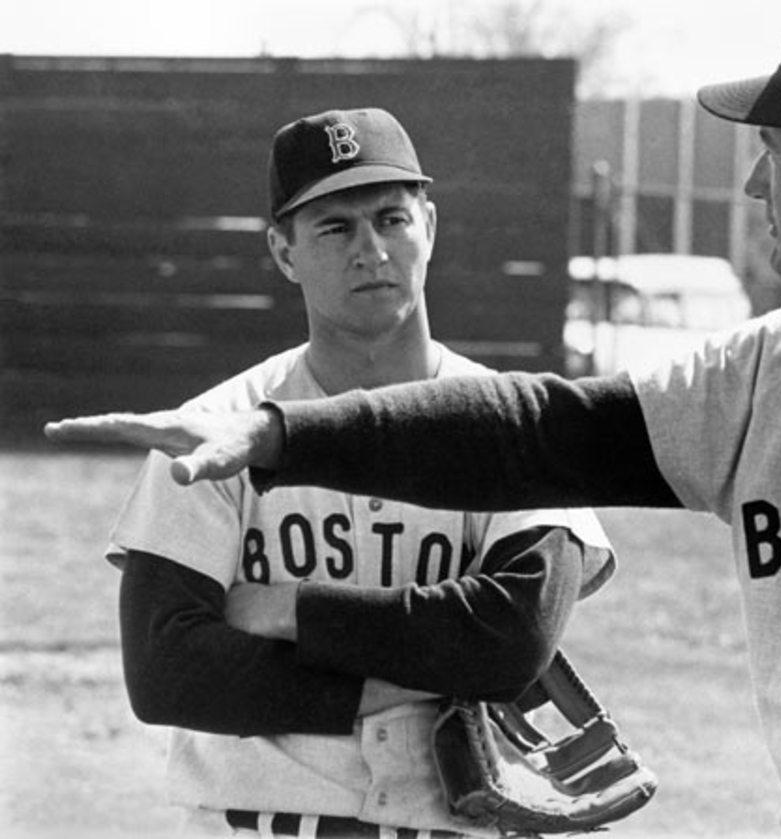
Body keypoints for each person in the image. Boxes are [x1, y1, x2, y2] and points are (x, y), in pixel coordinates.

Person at [47, 11, 781, 838]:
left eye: (770, 156)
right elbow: (542, 427)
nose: (752, 190)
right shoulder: (778, 370)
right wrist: (290, 438)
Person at [95, 106, 617, 838]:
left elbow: (511, 637)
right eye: (334, 227)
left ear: (428, 226)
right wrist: (410, 666)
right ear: (282, 251)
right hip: (255, 823)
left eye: (391, 218)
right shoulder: (215, 430)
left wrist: (287, 610)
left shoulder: (516, 425)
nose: (370, 248)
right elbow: (168, 668)